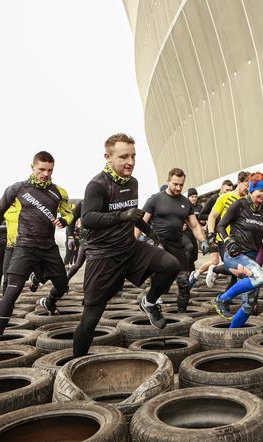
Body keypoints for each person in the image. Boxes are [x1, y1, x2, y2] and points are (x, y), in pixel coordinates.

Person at [72, 133, 181, 357]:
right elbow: (89, 218)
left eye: (133, 156)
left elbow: (134, 215)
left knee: (171, 264)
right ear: (108, 157)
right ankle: (74, 365)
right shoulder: (97, 185)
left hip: (130, 248)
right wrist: (122, 216)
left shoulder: (133, 182)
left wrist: (152, 234)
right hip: (104, 256)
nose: (130, 162)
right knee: (90, 320)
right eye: (123, 157)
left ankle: (150, 303)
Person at [0, 151, 73, 338]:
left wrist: (65, 220)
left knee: (63, 286)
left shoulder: (58, 191)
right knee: (12, 291)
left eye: (50, 170)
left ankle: (49, 300)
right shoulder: (17, 189)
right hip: (24, 247)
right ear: (32, 167)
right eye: (41, 169)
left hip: (48, 247)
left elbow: (70, 213)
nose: (46, 174)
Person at [213, 173, 263, 327]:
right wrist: (228, 241)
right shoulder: (239, 205)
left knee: (249, 306)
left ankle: (231, 335)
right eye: (261, 190)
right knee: (260, 276)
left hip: (251, 258)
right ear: (251, 189)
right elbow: (220, 226)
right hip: (235, 255)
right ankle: (221, 299)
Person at [140, 168, 209, 312]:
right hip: (157, 243)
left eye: (181, 185)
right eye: (175, 184)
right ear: (168, 181)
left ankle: (182, 313)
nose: (178, 188)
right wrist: (132, 242)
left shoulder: (185, 202)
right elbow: (141, 223)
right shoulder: (155, 199)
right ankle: (152, 300)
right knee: (162, 273)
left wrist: (203, 240)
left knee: (184, 282)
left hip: (176, 246)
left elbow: (194, 225)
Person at [205, 172, 251, 288]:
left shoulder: (248, 200)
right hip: (224, 238)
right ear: (239, 183)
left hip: (241, 240)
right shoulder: (225, 197)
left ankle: (225, 299)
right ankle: (214, 269)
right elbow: (212, 216)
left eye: (251, 186)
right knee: (235, 268)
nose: (248, 188)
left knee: (238, 273)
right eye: (247, 185)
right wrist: (211, 234)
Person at [189, 180, 234, 286]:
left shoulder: (231, 200)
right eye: (226, 190)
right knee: (215, 261)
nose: (228, 192)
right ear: (221, 188)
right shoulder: (214, 199)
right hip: (212, 233)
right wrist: (215, 217)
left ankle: (198, 273)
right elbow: (201, 215)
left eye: (230, 190)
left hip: (225, 234)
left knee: (219, 261)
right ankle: (199, 273)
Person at [65, 201, 86, 283]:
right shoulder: (82, 203)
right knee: (77, 263)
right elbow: (71, 221)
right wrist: (70, 237)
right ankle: (63, 283)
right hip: (86, 239)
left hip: (99, 239)